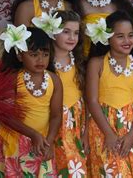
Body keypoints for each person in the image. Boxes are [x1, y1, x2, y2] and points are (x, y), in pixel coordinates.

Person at [0, 26, 63, 176]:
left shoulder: (54, 80)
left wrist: (48, 142)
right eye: (34, 54)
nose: (40, 59)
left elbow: (56, 115)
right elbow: (6, 116)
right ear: (19, 56)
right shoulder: (13, 80)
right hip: (13, 141)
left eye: (45, 54)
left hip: (41, 142)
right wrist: (32, 135)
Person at [86, 10, 133, 177]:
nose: (127, 40)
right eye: (120, 36)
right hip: (104, 126)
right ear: (108, 38)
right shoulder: (97, 63)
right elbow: (92, 101)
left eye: (130, 35)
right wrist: (108, 133)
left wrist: (131, 136)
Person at [50, 11, 88, 176]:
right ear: (52, 31)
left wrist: (86, 133)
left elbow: (87, 100)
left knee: (75, 168)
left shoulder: (80, 64)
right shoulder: (43, 63)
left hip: (75, 125)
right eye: (66, 32)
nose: (72, 37)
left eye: (76, 33)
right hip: (51, 123)